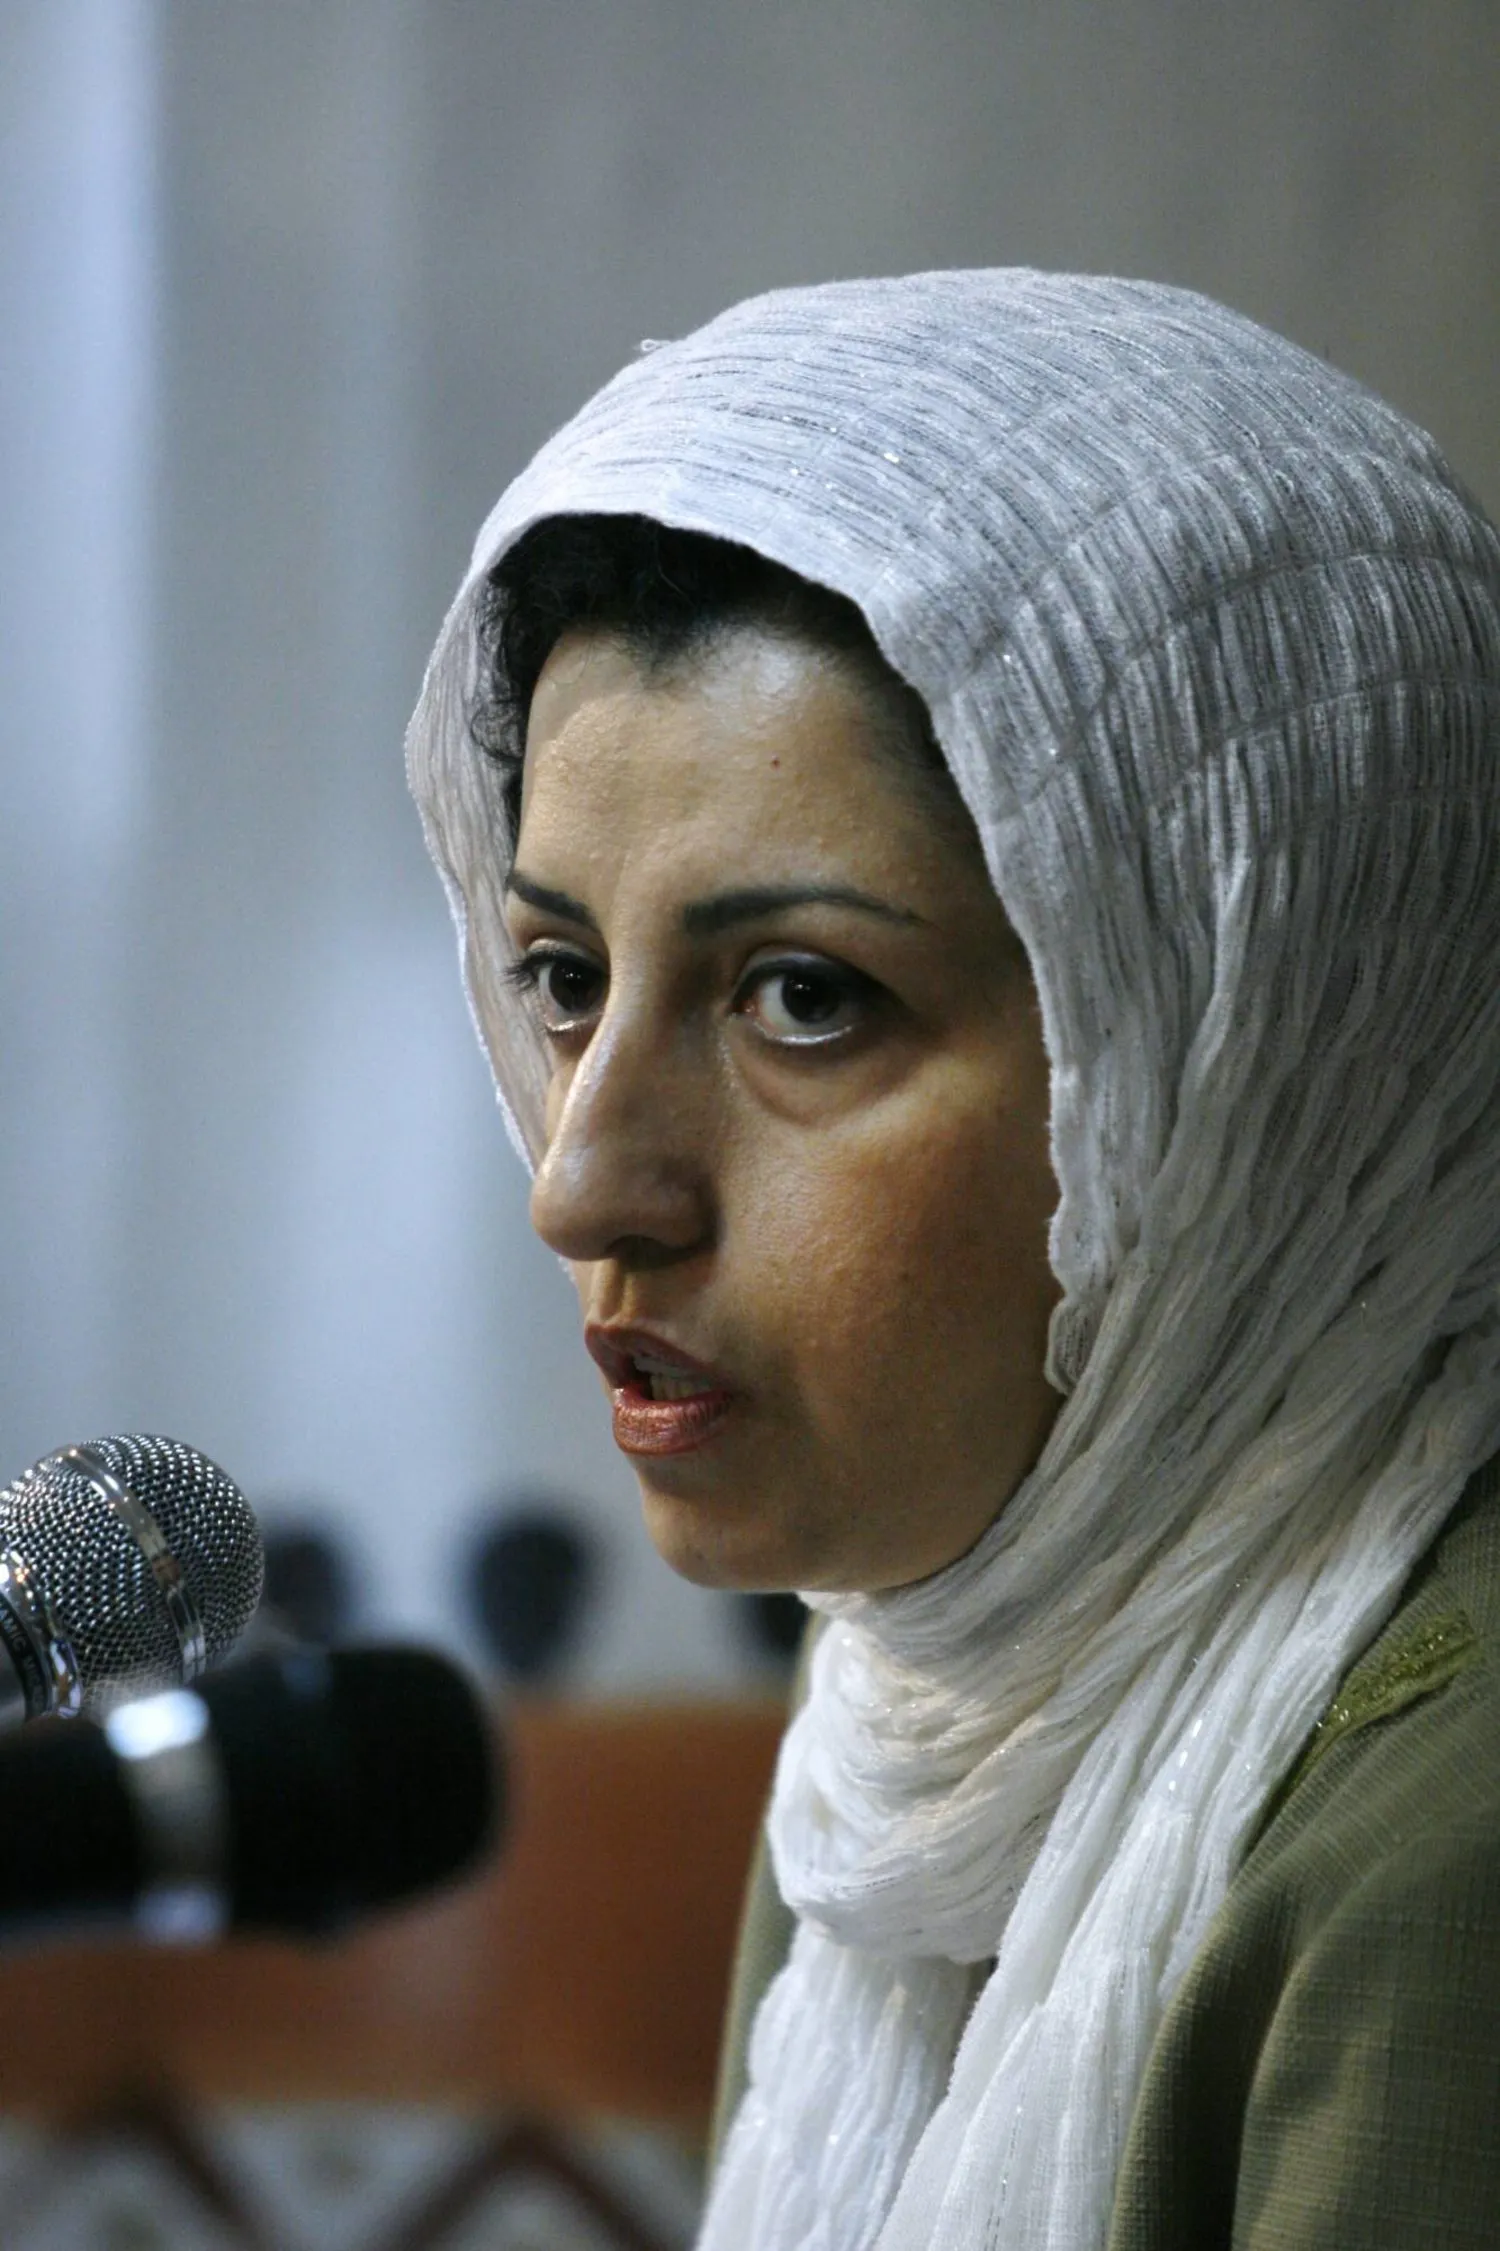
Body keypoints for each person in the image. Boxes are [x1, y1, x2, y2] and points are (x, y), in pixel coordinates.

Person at [406, 271, 1500, 2249]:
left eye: (804, 998)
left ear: (1255, 1058)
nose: (587, 1185)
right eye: (562, 976)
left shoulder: (1452, 1846)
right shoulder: (918, 1717)